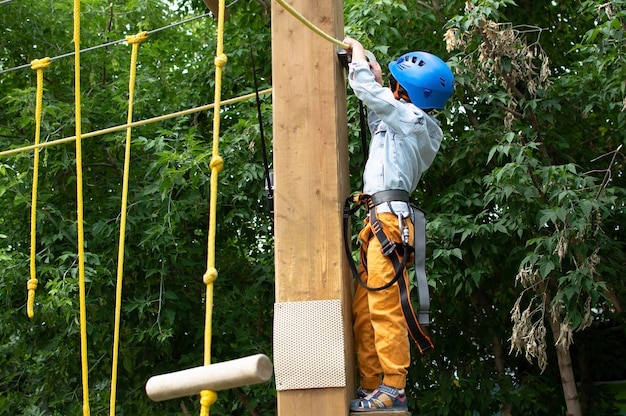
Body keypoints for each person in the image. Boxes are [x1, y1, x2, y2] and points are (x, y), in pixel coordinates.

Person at [342, 37, 454, 412]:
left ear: (408, 92)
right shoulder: (402, 120)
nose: (391, 89)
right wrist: (372, 73)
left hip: (391, 221)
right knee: (363, 311)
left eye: (396, 84)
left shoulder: (419, 123)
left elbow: (372, 97)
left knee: (385, 306)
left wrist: (359, 59)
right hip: (378, 220)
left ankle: (394, 386)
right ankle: (374, 385)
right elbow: (378, 112)